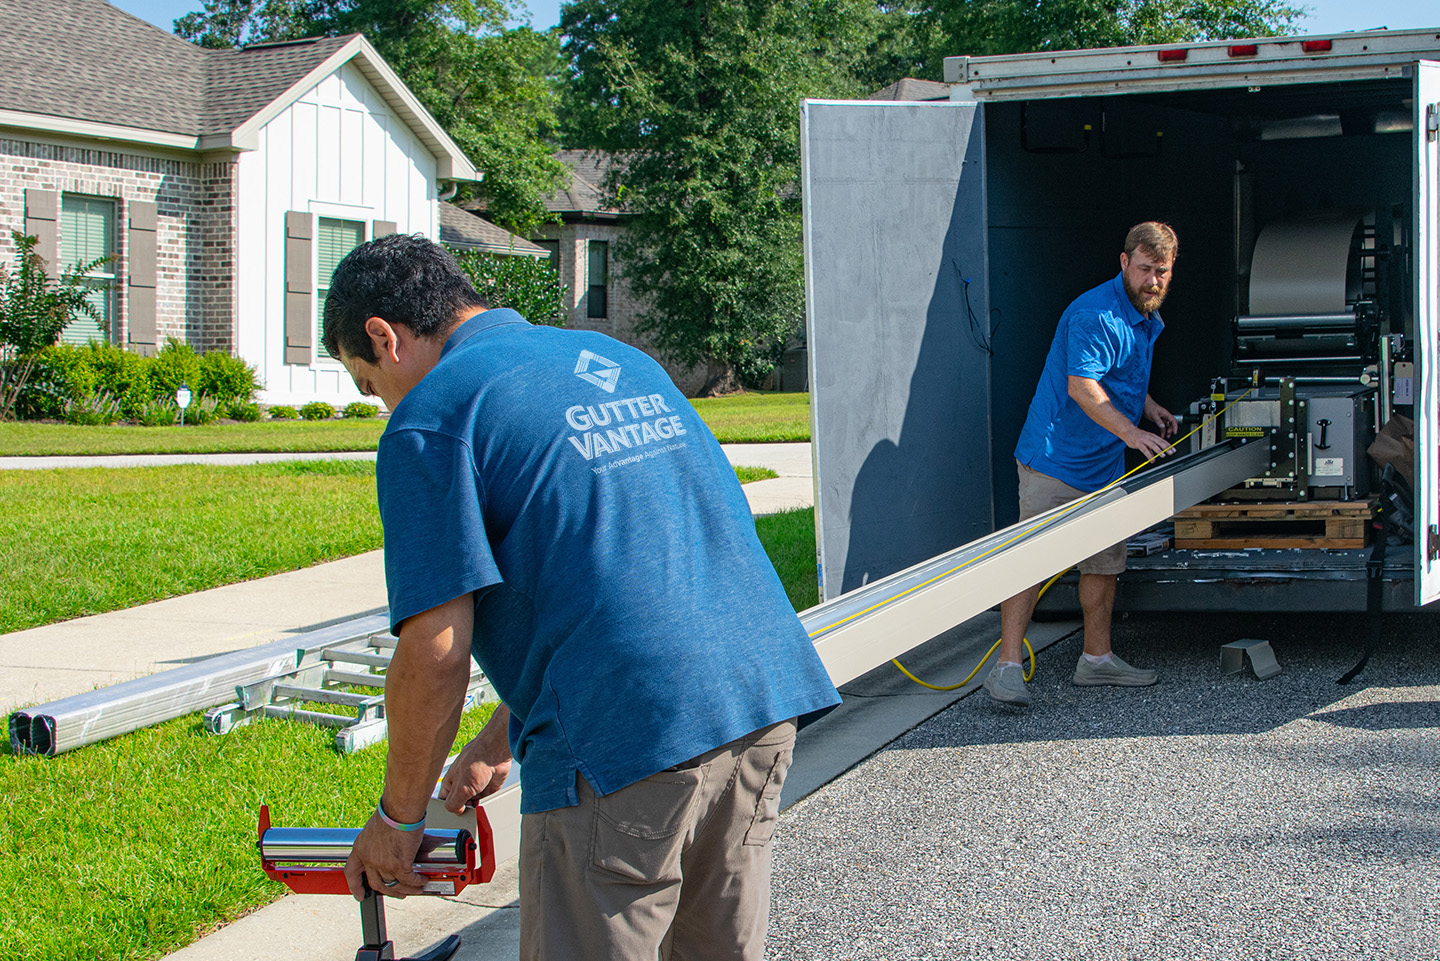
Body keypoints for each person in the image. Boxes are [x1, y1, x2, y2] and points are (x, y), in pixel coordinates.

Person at [325, 235, 840, 960]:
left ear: (385, 337)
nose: (384, 405)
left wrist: (397, 817)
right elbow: (618, 573)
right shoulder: (622, 362)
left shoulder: (433, 417)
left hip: (624, 737)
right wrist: (498, 737)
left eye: (370, 384)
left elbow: (436, 649)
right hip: (757, 695)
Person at [984, 222, 1180, 707]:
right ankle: (1007, 667)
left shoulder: (1145, 317)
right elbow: (1084, 387)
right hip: (1055, 460)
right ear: (1123, 262)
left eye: (1162, 272)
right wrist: (1133, 432)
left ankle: (1096, 659)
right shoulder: (1095, 313)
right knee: (1032, 561)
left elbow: (1121, 374)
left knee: (1103, 564)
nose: (1153, 281)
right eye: (1144, 269)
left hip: (1103, 463)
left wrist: (1148, 406)